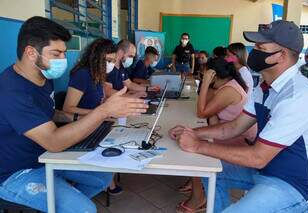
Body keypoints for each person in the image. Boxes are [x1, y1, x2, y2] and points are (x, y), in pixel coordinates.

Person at [0, 16, 148, 213]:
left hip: (46, 157)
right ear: (30, 52)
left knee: (102, 178)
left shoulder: (43, 78)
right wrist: (103, 111)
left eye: (64, 53)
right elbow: (53, 141)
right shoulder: (12, 91)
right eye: (56, 54)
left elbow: (51, 114)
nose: (62, 60)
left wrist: (84, 118)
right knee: (85, 210)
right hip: (16, 172)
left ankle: (60, 202)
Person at [170, 20, 308, 212]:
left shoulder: (297, 96)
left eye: (260, 47)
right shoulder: (264, 87)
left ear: (281, 55)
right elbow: (233, 127)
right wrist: (193, 132)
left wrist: (198, 145)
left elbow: (258, 157)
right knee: (212, 171)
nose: (253, 52)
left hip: (296, 186)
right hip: (269, 169)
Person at [176, 58, 257, 213]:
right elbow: (206, 109)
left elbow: (201, 113)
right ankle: (197, 190)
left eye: (205, 73)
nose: (201, 74)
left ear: (213, 75)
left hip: (238, 139)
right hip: (228, 132)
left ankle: (199, 197)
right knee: (194, 138)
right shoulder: (226, 85)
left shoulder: (229, 89)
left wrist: (205, 83)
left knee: (196, 155)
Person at [62, 38, 123, 195]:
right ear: (97, 57)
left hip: (96, 123)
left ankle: (106, 183)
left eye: (113, 61)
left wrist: (107, 110)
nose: (111, 64)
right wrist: (100, 113)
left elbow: (99, 101)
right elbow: (67, 108)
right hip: (80, 127)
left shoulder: (98, 75)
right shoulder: (82, 74)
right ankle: (75, 195)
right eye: (108, 60)